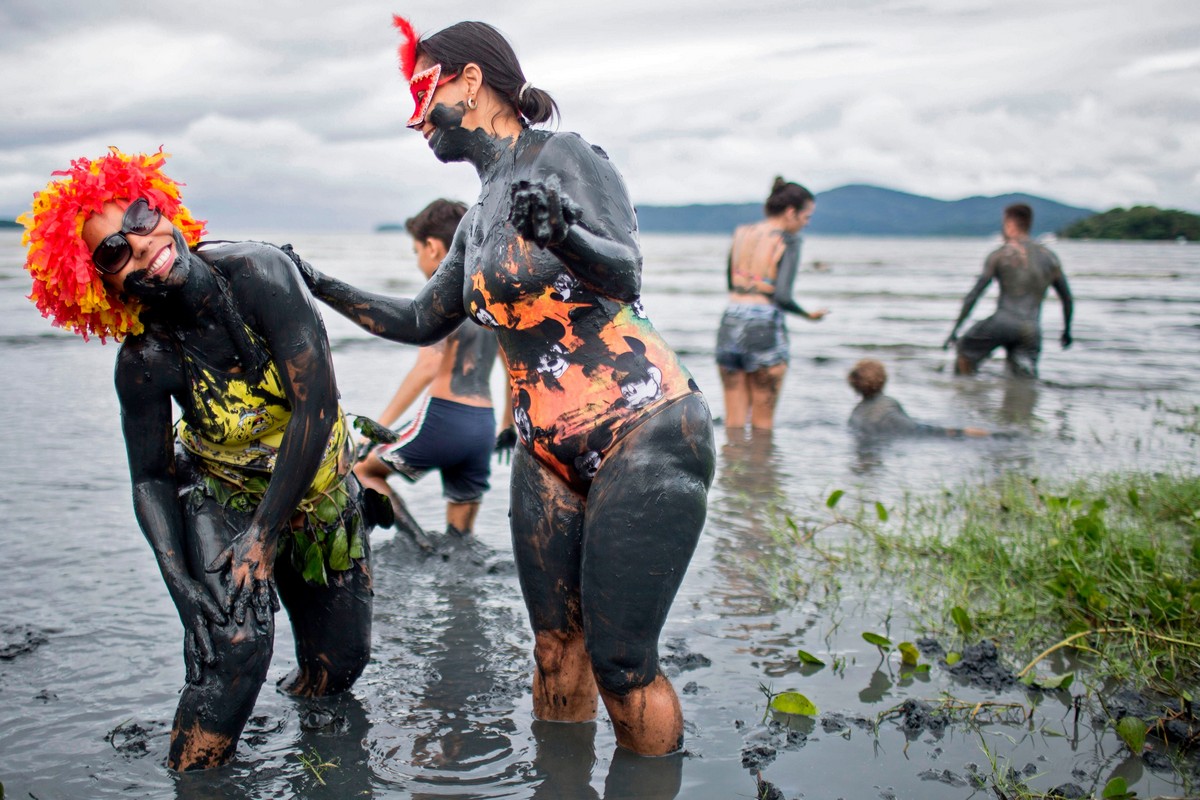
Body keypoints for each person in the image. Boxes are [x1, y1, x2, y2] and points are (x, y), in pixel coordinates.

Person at [298, 17, 716, 757]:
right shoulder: (480, 213)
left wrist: (565, 235)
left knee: (622, 664)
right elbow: (423, 320)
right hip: (543, 448)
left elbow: (625, 271)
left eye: (423, 88)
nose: (416, 114)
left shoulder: (565, 155)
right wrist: (314, 283)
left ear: (469, 80)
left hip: (642, 425)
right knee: (556, 648)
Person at [19, 148, 377, 771]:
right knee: (233, 646)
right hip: (223, 491)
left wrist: (266, 537)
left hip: (318, 487)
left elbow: (314, 409)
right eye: (111, 253)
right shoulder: (144, 360)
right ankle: (196, 774)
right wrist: (182, 587)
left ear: (162, 205)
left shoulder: (261, 274)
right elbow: (151, 479)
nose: (139, 243)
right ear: (101, 286)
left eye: (139, 215)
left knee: (340, 664)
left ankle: (316, 759)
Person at [354, 198, 504, 543]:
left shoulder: (440, 298)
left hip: (444, 419)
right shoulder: (488, 295)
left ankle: (419, 544)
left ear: (434, 248)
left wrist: (377, 430)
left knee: (363, 472)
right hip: (483, 426)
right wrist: (510, 425)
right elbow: (512, 370)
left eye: (416, 250)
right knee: (461, 539)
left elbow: (428, 366)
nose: (418, 258)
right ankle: (457, 586)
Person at [716, 176, 829, 432]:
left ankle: (735, 470)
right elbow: (782, 297)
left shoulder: (742, 234)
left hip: (730, 320)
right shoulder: (789, 240)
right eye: (806, 217)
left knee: (733, 423)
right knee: (762, 423)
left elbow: (731, 284)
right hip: (763, 325)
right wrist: (808, 315)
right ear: (791, 213)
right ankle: (761, 470)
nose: (806, 224)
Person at [943, 203, 1073, 378]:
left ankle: (968, 394)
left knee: (965, 351)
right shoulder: (1050, 258)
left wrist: (955, 330)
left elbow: (974, 295)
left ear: (1010, 223)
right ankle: (1019, 400)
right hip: (1031, 329)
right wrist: (1066, 331)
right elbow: (1067, 299)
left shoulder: (1000, 255)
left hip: (1002, 322)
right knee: (1023, 375)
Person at [847, 359, 989, 438]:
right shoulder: (887, 404)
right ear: (883, 379)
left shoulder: (856, 412)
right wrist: (960, 432)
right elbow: (916, 430)